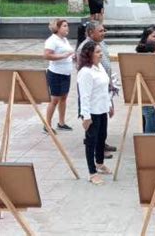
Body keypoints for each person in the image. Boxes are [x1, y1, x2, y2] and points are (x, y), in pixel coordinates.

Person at [76, 21, 116, 157]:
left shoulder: (101, 44)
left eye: (104, 30)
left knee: (102, 122)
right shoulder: (85, 47)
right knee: (94, 123)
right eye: (100, 31)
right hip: (93, 88)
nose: (103, 33)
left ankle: (101, 144)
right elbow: (83, 71)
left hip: (103, 85)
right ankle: (95, 148)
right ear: (91, 32)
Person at [77, 41, 113, 185]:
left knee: (102, 137)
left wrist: (109, 105)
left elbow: (105, 89)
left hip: (102, 108)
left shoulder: (99, 68)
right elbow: (84, 96)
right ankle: (92, 172)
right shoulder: (85, 72)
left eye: (100, 51)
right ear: (89, 54)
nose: (100, 54)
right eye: (97, 52)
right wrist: (86, 117)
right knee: (91, 141)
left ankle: (99, 163)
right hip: (92, 111)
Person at [43, 19, 74, 134]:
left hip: (66, 73)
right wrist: (63, 56)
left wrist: (72, 56)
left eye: (67, 26)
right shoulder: (52, 40)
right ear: (58, 28)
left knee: (64, 98)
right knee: (54, 100)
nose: (67, 28)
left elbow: (68, 53)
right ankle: (47, 124)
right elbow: (46, 55)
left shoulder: (64, 40)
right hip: (55, 74)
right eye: (65, 26)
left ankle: (61, 123)